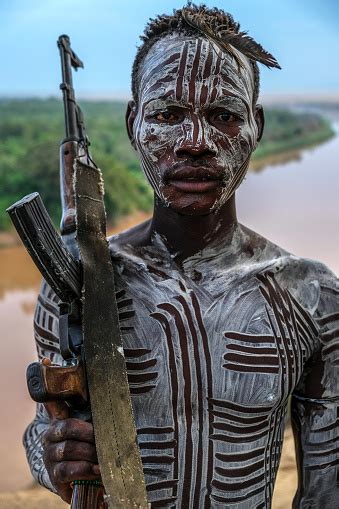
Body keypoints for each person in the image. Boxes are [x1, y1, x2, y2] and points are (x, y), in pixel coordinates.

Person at [24, 4, 339, 508]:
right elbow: (43, 431)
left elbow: (328, 488)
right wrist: (53, 460)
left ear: (255, 126)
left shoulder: (313, 299)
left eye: (223, 116)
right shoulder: (75, 284)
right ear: (134, 123)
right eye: (169, 115)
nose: (195, 143)